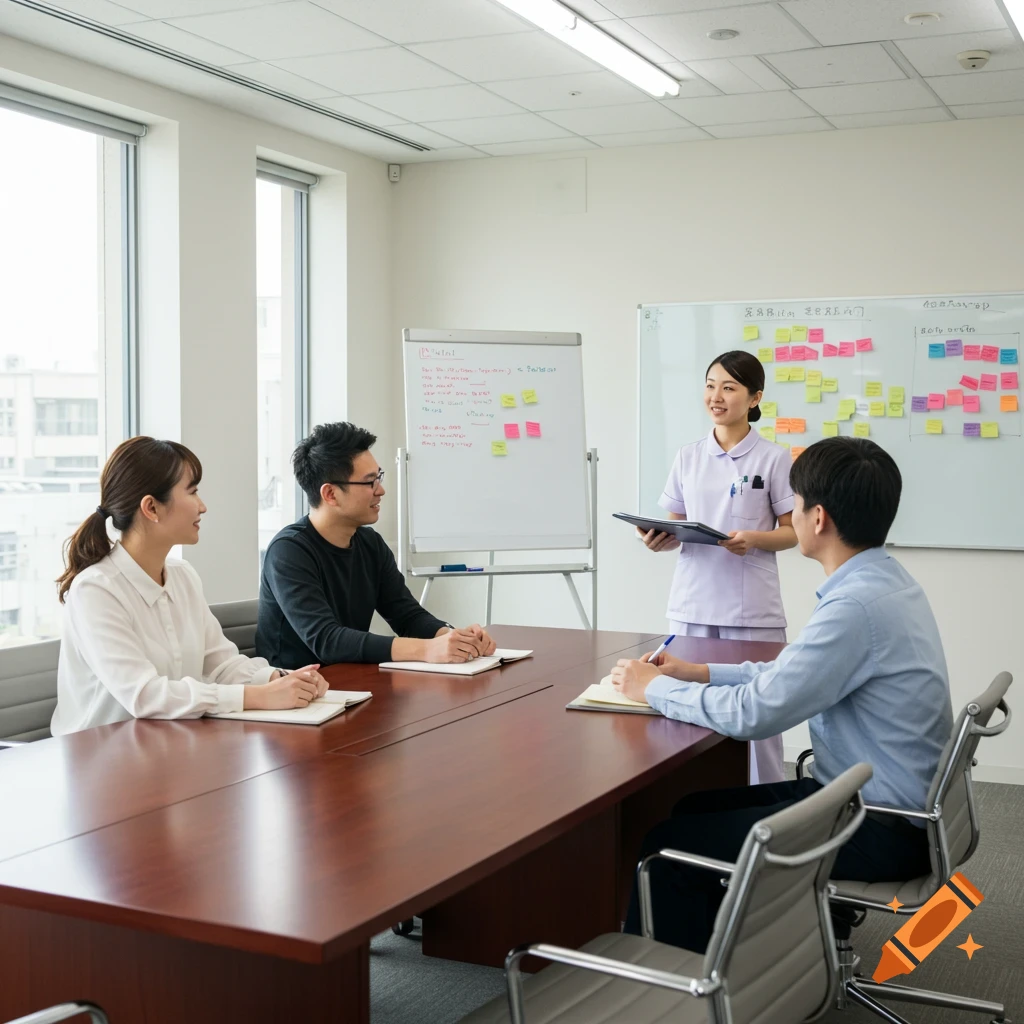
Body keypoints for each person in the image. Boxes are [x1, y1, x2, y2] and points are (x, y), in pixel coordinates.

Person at [611, 436, 953, 953]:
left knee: (666, 846)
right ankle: (727, 961)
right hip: (884, 805)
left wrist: (655, 688)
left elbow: (757, 712)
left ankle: (680, 997)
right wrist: (700, 672)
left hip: (878, 826)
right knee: (689, 810)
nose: (788, 515)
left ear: (818, 519)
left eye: (793, 504)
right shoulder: (885, 582)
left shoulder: (853, 608)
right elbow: (788, 673)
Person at [52, 437, 326, 737]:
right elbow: (145, 695)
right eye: (192, 491)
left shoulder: (182, 576)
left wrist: (282, 679)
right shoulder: (95, 590)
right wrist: (259, 696)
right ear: (152, 508)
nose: (203, 506)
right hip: (100, 760)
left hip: (167, 745)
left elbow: (221, 666)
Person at [638, 349, 798, 783]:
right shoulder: (688, 456)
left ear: (754, 397)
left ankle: (766, 805)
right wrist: (658, 539)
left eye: (729, 387)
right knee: (683, 709)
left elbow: (794, 531)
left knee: (759, 717)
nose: (716, 396)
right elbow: (674, 525)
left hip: (751, 610)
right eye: (710, 385)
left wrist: (755, 540)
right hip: (692, 605)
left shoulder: (774, 458)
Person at [257, 421, 495, 666]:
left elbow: (407, 616)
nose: (380, 490)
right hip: (294, 692)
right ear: (330, 494)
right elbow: (327, 641)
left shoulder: (371, 544)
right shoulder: (288, 551)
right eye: (369, 481)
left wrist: (454, 639)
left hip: (352, 683)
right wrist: (425, 649)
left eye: (378, 477)